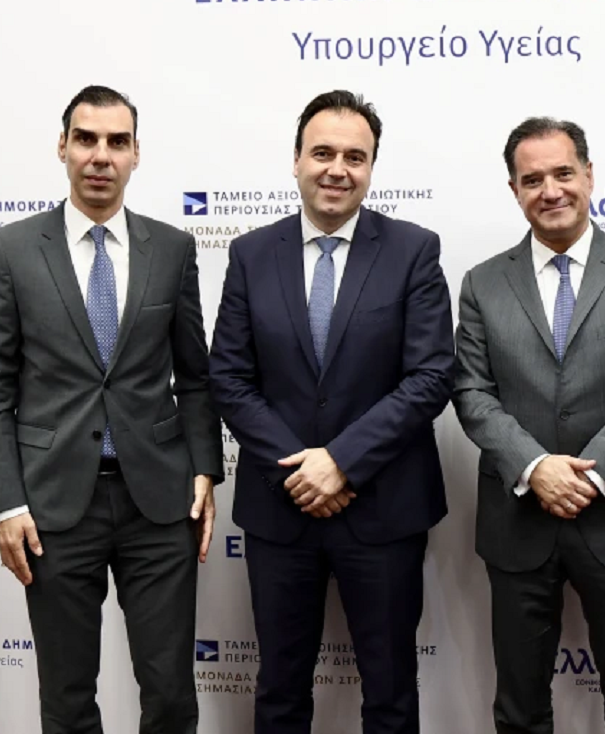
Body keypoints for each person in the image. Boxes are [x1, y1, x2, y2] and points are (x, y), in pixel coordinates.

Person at [0, 85, 223, 734]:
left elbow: (196, 377)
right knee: (67, 701)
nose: (100, 155)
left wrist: (204, 469)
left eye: (117, 141)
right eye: (86, 139)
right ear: (62, 147)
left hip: (159, 504)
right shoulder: (11, 249)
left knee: (171, 697)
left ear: (137, 153)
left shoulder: (173, 248)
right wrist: (6, 504)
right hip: (53, 508)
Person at [209, 90, 455, 734]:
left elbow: (431, 376)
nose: (337, 169)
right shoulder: (250, 254)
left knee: (391, 694)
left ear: (371, 168)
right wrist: (303, 470)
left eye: (355, 156)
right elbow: (229, 378)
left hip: (384, 508)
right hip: (280, 507)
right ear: (296, 160)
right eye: (322, 153)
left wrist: (341, 463)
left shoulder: (413, 250)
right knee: (280, 692)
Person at [453, 117, 605, 734]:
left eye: (563, 173)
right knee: (519, 707)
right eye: (532, 179)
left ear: (589, 175)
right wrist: (535, 467)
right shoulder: (482, 283)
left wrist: (591, 473)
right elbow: (472, 391)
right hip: (519, 520)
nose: (550, 190)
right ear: (514, 189)